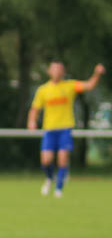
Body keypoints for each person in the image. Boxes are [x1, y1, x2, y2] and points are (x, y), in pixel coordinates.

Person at [28, 61, 105, 197]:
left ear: (63, 72)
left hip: (65, 129)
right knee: (46, 160)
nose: (56, 71)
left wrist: (97, 73)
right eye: (54, 69)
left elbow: (90, 85)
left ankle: (58, 189)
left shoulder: (70, 86)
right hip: (49, 129)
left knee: (62, 159)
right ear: (49, 71)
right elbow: (35, 108)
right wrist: (32, 121)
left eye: (59, 69)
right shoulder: (43, 90)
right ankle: (49, 178)